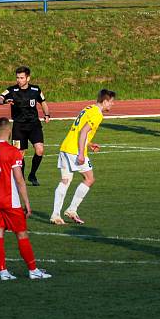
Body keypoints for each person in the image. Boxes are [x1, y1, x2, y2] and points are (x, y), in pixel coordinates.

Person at [0, 118, 51, 280]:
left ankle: (3, 272)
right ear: (10, 131)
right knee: (21, 235)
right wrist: (26, 202)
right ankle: (33, 270)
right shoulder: (13, 152)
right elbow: (19, 180)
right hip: (10, 201)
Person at [51, 89, 116, 225]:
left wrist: (89, 144)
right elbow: (83, 131)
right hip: (75, 151)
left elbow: (80, 130)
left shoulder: (88, 108)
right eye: (111, 102)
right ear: (105, 102)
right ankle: (72, 209)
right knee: (89, 178)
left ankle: (56, 215)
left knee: (65, 180)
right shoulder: (97, 114)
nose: (112, 105)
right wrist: (81, 152)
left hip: (65, 147)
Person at [0, 66, 51, 185]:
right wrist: (5, 101)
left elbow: (43, 103)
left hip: (34, 125)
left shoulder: (36, 90)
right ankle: (22, 179)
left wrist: (47, 114)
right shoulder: (11, 90)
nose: (19, 80)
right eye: (17, 78)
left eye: (21, 78)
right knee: (19, 154)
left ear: (28, 78)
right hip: (19, 127)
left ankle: (32, 175)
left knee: (40, 150)